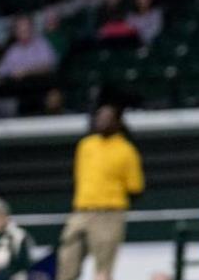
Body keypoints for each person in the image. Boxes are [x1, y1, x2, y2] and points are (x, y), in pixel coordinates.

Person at [57, 105, 145, 280]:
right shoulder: (85, 146)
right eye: (99, 118)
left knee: (103, 269)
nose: (102, 122)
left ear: (117, 123)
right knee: (67, 260)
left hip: (108, 214)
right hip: (81, 211)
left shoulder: (126, 150)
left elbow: (135, 187)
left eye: (107, 118)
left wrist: (112, 201)